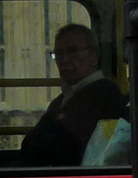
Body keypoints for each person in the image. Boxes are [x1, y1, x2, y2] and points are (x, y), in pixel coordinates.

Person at [21, 22, 124, 166]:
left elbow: (65, 147)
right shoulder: (61, 99)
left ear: (93, 57)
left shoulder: (104, 93)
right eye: (59, 53)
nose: (64, 60)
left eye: (73, 51)